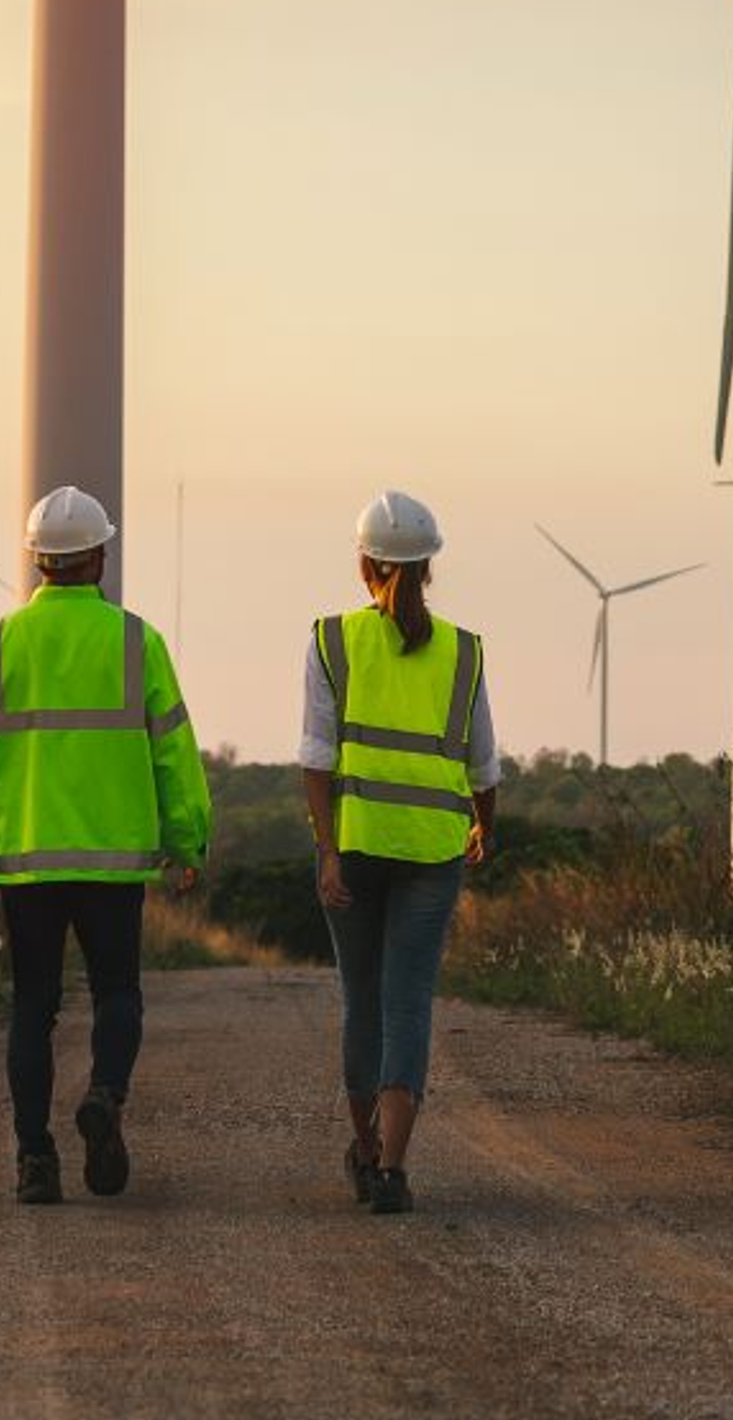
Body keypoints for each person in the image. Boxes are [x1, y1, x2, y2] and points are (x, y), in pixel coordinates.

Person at [0, 485, 211, 1206]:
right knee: (119, 991)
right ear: (100, 556)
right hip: (114, 860)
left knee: (34, 1005)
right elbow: (173, 753)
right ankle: (106, 1096)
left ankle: (34, 1160)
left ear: (36, 562)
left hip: (25, 861)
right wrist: (186, 840)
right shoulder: (135, 641)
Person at [301, 487, 496, 1215]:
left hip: (355, 844)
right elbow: (484, 765)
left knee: (362, 1001)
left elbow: (315, 757)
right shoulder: (464, 651)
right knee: (409, 1002)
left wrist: (326, 851)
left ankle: (362, 1145)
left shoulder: (330, 641)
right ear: (429, 567)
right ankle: (392, 1166)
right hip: (432, 849)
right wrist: (484, 824)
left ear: (364, 564)